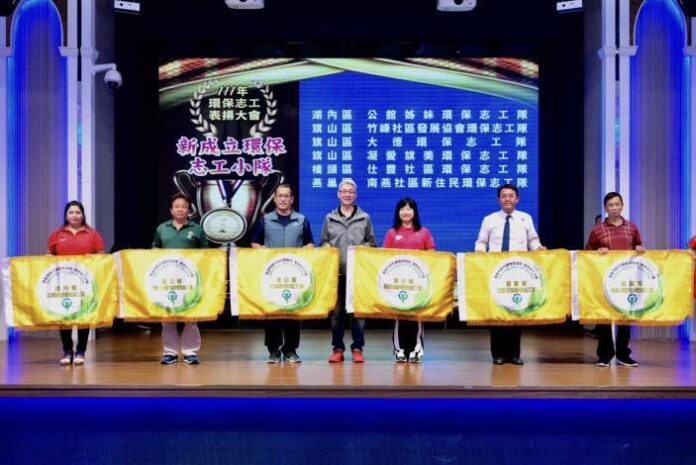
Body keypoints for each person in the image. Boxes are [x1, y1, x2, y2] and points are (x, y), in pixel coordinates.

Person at [475, 183, 546, 366]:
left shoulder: (525, 218)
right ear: (499, 199)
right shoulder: (489, 220)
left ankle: (514, 354)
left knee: (516, 310)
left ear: (517, 199)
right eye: (504, 196)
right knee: (497, 312)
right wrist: (480, 253)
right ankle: (498, 354)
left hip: (518, 272)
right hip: (497, 273)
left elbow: (533, 240)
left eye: (511, 195)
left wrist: (538, 248)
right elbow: (481, 242)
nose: (507, 199)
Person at [251, 184, 314, 363]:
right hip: (272, 276)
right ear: (275, 198)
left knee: (293, 312)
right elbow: (255, 243)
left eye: (286, 196)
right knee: (273, 312)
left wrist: (306, 250)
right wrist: (264, 251)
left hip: (295, 275)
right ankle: (273, 350)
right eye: (280, 196)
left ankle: (290, 349)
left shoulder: (302, 220)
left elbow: (310, 243)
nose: (283, 199)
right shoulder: (265, 220)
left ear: (292, 199)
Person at [585, 191, 645, 367]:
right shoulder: (598, 230)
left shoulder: (631, 227)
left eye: (617, 204)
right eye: (610, 205)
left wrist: (639, 248)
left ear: (622, 206)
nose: (614, 208)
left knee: (625, 318)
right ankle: (605, 354)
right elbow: (587, 252)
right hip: (605, 279)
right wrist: (597, 251)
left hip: (626, 280)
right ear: (605, 208)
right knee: (604, 317)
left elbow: (638, 245)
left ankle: (623, 354)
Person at [320, 179, 376, 364]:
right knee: (336, 314)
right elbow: (323, 241)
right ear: (338, 194)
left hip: (357, 274)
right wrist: (327, 246)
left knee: (358, 314)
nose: (347, 194)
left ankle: (357, 348)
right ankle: (337, 349)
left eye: (350, 191)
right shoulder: (329, 218)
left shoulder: (364, 218)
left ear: (355, 195)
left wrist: (361, 248)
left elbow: (371, 243)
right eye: (343, 191)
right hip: (336, 274)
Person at [152, 193, 210, 365]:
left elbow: (206, 255)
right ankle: (169, 352)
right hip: (167, 280)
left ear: (188, 210)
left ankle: (190, 351)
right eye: (177, 206)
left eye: (184, 206)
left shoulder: (197, 229)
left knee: (190, 317)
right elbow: (155, 249)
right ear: (171, 210)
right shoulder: (162, 229)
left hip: (189, 281)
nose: (180, 209)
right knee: (167, 318)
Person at [48, 200, 106, 366]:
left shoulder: (92, 234)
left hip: (85, 282)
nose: (75, 215)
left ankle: (81, 351)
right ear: (66, 215)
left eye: (78, 212)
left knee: (83, 316)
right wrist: (48, 259)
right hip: (62, 282)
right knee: (64, 316)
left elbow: (102, 255)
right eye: (71, 212)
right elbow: (49, 255)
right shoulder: (57, 234)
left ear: (83, 215)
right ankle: (67, 350)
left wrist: (93, 258)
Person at [382, 197, 435, 363]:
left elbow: (432, 254)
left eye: (409, 209)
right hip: (397, 283)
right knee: (399, 316)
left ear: (414, 212)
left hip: (418, 283)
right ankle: (400, 350)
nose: (406, 212)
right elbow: (384, 257)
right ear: (398, 212)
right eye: (402, 209)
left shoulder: (424, 232)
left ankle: (416, 350)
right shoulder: (392, 233)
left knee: (416, 316)